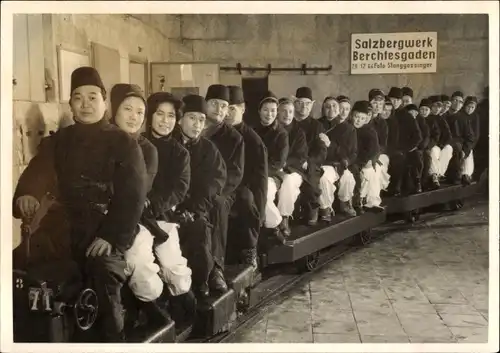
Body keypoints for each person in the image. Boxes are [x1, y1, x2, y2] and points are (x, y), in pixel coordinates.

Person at [14, 67, 148, 342]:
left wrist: (111, 237)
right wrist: (27, 194)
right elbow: (37, 173)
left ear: (104, 102)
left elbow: (132, 197)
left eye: (92, 97)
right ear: (71, 104)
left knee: (103, 276)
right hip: (59, 229)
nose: (85, 104)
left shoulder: (123, 143)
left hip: (103, 228)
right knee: (17, 269)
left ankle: (113, 341)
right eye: (78, 98)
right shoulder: (58, 141)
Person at [141, 90, 196, 326]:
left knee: (172, 262)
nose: (165, 121)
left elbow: (179, 188)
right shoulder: (137, 145)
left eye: (171, 116)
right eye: (160, 114)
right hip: (132, 215)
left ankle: (185, 307)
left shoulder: (179, 153)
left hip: (160, 214)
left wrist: (153, 206)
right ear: (150, 116)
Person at [172, 94, 227, 299]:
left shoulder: (208, 149)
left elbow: (214, 183)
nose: (197, 125)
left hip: (197, 207)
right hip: (171, 207)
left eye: (201, 120)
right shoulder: (169, 145)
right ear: (180, 119)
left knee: (202, 226)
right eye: (192, 118)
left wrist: (194, 209)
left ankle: (207, 275)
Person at [203, 84, 245, 293]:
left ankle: (216, 268)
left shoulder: (234, 138)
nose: (219, 110)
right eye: (214, 104)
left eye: (224, 106)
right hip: (194, 190)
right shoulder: (193, 128)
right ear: (205, 104)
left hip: (223, 193)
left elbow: (234, 175)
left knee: (217, 207)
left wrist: (212, 193)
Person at [224, 85, 268, 268]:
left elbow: (260, 180)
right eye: (225, 108)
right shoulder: (217, 133)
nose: (227, 113)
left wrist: (261, 211)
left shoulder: (253, 140)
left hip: (244, 190)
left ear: (243, 109)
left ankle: (250, 249)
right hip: (223, 188)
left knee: (247, 200)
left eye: (233, 109)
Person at [254, 91, 289, 241]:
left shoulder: (281, 134)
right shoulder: (252, 131)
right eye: (266, 110)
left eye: (273, 110)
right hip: (254, 173)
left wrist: (260, 173)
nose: (269, 114)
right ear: (259, 111)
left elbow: (279, 162)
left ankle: (275, 225)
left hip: (273, 174)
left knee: (264, 193)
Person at [293, 87, 329, 223]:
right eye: (300, 103)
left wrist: (309, 161)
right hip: (294, 162)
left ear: (312, 105)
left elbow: (322, 150)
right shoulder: (290, 123)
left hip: (311, 163)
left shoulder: (317, 126)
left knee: (311, 178)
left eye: (307, 104)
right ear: (295, 104)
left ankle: (312, 209)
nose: (304, 107)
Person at [318, 96, 357, 217]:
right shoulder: (318, 125)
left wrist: (330, 145)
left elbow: (351, 152)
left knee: (348, 178)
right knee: (324, 178)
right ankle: (326, 208)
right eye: (327, 107)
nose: (331, 109)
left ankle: (344, 203)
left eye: (334, 106)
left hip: (340, 163)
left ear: (339, 108)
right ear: (323, 109)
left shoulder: (348, 128)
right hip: (324, 163)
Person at [276, 97, 308, 234]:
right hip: (273, 169)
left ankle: (284, 217)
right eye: (284, 111)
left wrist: (284, 165)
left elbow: (300, 156)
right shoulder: (273, 129)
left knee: (289, 182)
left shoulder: (298, 132)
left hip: (293, 170)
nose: (287, 115)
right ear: (277, 112)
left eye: (290, 111)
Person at [387, 87, 422, 195]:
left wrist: (407, 148)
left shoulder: (407, 115)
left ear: (401, 101)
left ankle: (415, 183)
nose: (395, 102)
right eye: (392, 99)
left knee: (413, 158)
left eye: (398, 100)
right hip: (388, 148)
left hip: (404, 148)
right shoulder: (386, 113)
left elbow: (417, 136)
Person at [350, 101, 383, 213]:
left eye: (362, 118)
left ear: (365, 120)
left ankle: (371, 201)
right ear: (351, 116)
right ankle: (358, 199)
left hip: (362, 160)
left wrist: (369, 160)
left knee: (369, 171)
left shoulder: (369, 131)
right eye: (356, 117)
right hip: (351, 160)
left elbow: (374, 150)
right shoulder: (348, 128)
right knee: (358, 172)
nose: (358, 120)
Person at [446, 91, 474, 184]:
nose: (458, 103)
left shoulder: (464, 118)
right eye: (455, 100)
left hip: (459, 144)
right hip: (446, 142)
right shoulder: (444, 115)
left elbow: (470, 137)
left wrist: (465, 151)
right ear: (450, 101)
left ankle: (465, 175)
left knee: (466, 151)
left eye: (460, 102)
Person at [368, 89, 390, 193]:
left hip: (379, 153)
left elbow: (383, 144)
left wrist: (375, 155)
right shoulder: (364, 119)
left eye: (381, 104)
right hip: (364, 153)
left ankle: (378, 190)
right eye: (375, 103)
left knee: (381, 162)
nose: (378, 106)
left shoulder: (382, 123)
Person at [428, 95, 454, 181]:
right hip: (431, 144)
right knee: (434, 150)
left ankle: (440, 174)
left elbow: (448, 135)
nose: (436, 109)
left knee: (448, 148)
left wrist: (442, 145)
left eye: (439, 107)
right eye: (434, 106)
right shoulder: (426, 118)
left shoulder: (441, 119)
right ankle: (434, 174)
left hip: (440, 144)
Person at [417, 98, 440, 189]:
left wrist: (429, 145)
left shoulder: (432, 121)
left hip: (428, 145)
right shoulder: (417, 119)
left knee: (428, 155)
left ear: (430, 111)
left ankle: (425, 180)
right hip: (419, 145)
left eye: (426, 110)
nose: (424, 112)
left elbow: (436, 136)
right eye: (422, 109)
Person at [460, 96, 480, 185]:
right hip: (460, 141)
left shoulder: (475, 117)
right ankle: (463, 174)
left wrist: (469, 146)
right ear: (464, 106)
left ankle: (466, 174)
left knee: (469, 151)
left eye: (472, 107)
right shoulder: (460, 115)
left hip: (470, 143)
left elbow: (476, 135)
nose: (470, 109)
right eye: (468, 106)